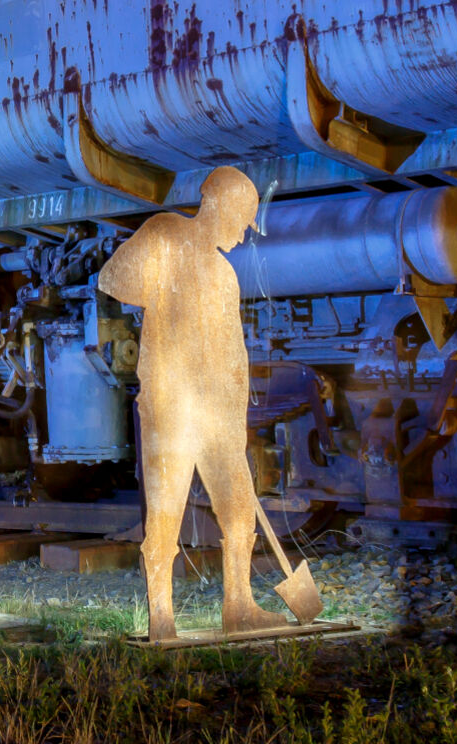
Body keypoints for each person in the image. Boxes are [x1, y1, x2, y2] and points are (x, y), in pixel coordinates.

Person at [97, 166, 287, 641]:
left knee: (240, 510)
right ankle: (161, 617)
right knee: (166, 513)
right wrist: (161, 278)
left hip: (218, 417)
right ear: (217, 204)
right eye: (242, 219)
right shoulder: (166, 233)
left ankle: (239, 605)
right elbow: (113, 278)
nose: (244, 233)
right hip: (173, 405)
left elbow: (232, 352)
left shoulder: (224, 275)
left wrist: (236, 416)